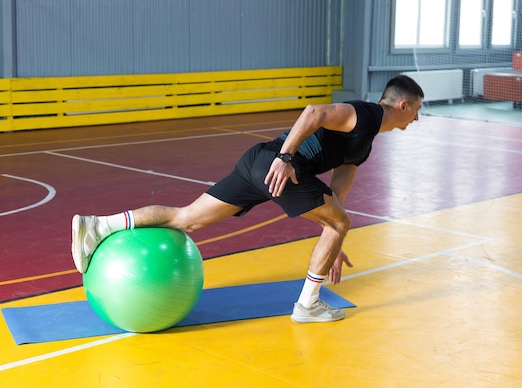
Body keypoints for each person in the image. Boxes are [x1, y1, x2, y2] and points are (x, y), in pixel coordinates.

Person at [71, 74, 424, 324]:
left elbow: (338, 194)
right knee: (339, 223)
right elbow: (314, 113)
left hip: (258, 161)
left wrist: (334, 236)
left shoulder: (363, 145)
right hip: (282, 165)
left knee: (186, 219)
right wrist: (286, 160)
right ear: (403, 105)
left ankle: (100, 225)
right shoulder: (365, 113)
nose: (418, 118)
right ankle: (308, 305)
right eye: (417, 110)